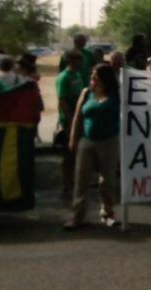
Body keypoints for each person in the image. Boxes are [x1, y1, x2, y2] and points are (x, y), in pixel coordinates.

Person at [64, 64, 121, 230]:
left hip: (109, 142)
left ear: (105, 79)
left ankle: (108, 213)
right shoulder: (86, 93)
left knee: (107, 181)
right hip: (87, 141)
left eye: (95, 77)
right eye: (92, 76)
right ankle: (77, 217)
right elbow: (77, 116)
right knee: (81, 180)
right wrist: (73, 138)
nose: (92, 80)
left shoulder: (117, 95)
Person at [56, 50, 86, 195]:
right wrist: (70, 119)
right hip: (69, 120)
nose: (81, 62)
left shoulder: (78, 74)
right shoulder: (64, 77)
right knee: (68, 152)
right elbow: (62, 100)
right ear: (71, 61)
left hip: (79, 117)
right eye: (79, 59)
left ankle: (73, 180)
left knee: (76, 152)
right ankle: (65, 184)